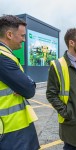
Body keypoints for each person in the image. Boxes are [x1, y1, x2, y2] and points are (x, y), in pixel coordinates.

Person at [0, 15, 40, 150]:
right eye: (22, 35)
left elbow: (25, 85)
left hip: (13, 128)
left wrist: (26, 84)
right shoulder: (2, 58)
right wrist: (28, 84)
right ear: (9, 34)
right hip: (11, 129)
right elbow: (28, 89)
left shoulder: (6, 55)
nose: (24, 39)